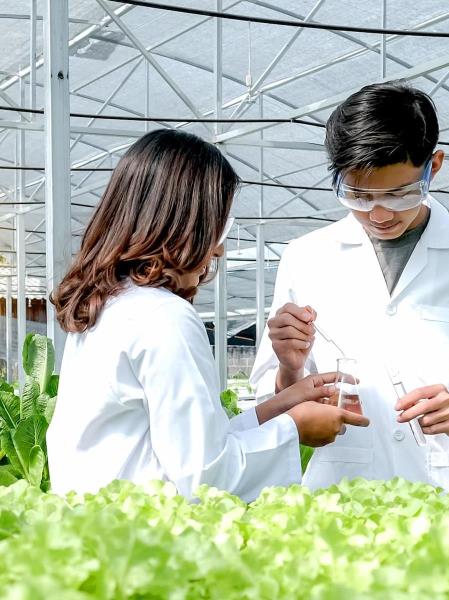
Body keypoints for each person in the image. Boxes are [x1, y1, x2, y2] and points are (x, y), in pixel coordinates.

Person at [250, 82, 449, 496]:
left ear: (434, 166)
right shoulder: (305, 258)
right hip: (343, 491)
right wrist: (288, 366)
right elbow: (272, 398)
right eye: (357, 194)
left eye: (398, 193)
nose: (377, 213)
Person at [47, 129, 369, 502]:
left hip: (103, 526)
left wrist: (283, 404)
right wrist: (294, 429)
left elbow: (185, 444)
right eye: (219, 225)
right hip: (148, 537)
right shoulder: (164, 318)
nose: (219, 246)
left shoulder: (112, 304)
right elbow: (206, 477)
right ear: (189, 223)